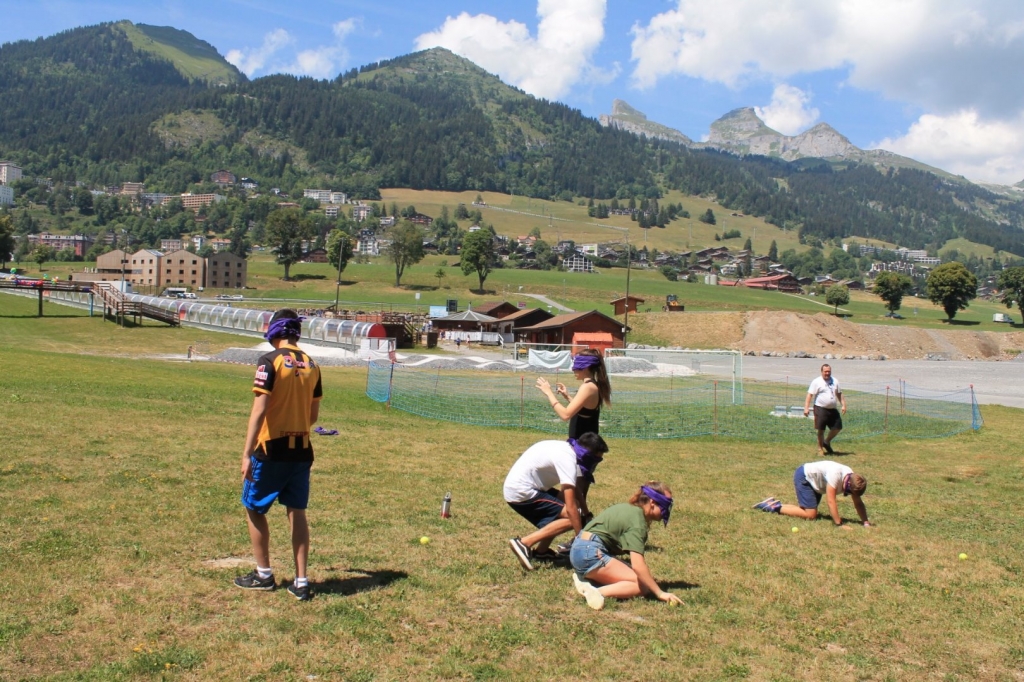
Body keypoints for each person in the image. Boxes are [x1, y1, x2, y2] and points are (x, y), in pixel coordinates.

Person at [234, 309, 323, 601]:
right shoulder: (313, 365)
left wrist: (247, 453)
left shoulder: (269, 361)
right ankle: (301, 581)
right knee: (296, 511)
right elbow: (312, 415)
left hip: (270, 449)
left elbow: (259, 410)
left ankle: (263, 574)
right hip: (302, 450)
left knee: (254, 508)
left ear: (275, 330)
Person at [569, 482, 684, 610]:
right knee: (643, 586)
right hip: (589, 553)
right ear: (652, 503)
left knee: (634, 576)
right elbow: (638, 566)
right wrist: (660, 593)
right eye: (664, 505)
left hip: (578, 549)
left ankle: (584, 578)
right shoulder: (638, 523)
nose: (666, 511)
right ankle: (595, 592)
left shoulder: (628, 508)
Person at [504, 433, 609, 571]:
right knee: (572, 517)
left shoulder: (569, 450)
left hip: (526, 487)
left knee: (575, 512)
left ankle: (541, 552)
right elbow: (571, 507)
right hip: (522, 492)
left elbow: (576, 489)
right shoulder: (567, 459)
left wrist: (586, 512)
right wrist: (581, 540)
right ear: (588, 455)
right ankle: (524, 543)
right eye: (596, 460)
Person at [535, 349, 612, 518]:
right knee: (576, 494)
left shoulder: (589, 387)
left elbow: (565, 415)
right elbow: (584, 410)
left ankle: (581, 534)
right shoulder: (591, 385)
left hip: (585, 448)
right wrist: (568, 397)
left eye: (576, 366)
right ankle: (585, 521)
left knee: (575, 496)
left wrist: (548, 393)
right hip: (584, 445)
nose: (573, 370)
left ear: (586, 367)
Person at [753, 460, 870, 528]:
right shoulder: (836, 476)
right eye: (848, 492)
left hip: (817, 485)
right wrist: (839, 524)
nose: (848, 494)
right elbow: (831, 501)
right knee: (810, 515)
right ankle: (772, 507)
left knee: (805, 511)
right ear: (848, 483)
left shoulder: (852, 479)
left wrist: (865, 522)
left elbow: (858, 503)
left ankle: (776, 504)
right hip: (805, 478)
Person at [803, 364, 847, 454]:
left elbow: (839, 393)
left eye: (829, 371)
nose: (827, 373)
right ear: (822, 372)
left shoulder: (835, 381)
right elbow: (809, 395)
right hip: (820, 408)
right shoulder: (816, 381)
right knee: (821, 429)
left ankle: (826, 442)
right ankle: (820, 449)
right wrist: (806, 408)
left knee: (837, 427)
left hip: (832, 409)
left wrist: (843, 405)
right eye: (825, 371)